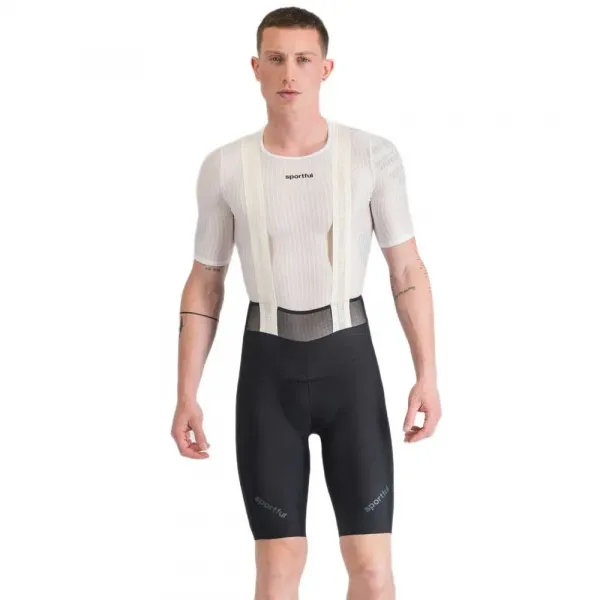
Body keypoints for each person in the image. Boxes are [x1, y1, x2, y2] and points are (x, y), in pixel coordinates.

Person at [171, 6, 441, 600]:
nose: (288, 72)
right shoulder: (225, 166)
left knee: (371, 567)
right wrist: (186, 393)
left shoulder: (371, 156)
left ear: (326, 68)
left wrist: (427, 375)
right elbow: (205, 282)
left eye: (302, 59)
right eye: (275, 59)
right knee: (277, 569)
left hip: (351, 368)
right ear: (256, 68)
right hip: (268, 374)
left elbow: (407, 270)